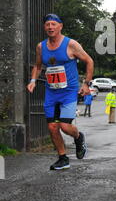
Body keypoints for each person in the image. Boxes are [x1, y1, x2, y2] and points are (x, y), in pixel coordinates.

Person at [27, 14, 94, 171]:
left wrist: (86, 84)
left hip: (69, 92)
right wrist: (33, 81)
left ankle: (78, 137)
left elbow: (89, 61)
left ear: (60, 26)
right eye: (47, 24)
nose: (50, 27)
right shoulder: (40, 47)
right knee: (52, 127)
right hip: (52, 92)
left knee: (64, 126)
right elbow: (38, 66)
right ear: (44, 27)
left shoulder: (71, 44)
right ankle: (63, 158)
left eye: (53, 24)